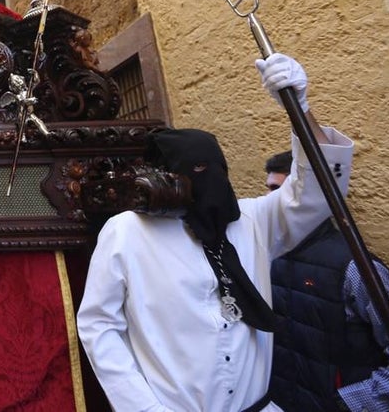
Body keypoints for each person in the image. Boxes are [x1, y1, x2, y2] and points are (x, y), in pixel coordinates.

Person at [77, 53, 355, 412]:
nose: (211, 182)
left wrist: (299, 110)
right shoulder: (128, 233)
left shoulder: (249, 220)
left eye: (216, 169)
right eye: (196, 170)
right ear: (164, 179)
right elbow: (100, 326)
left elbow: (317, 192)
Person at [264, 152, 389, 411]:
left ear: (313, 198)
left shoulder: (354, 269)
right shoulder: (268, 254)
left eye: (280, 190)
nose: (269, 200)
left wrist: (343, 405)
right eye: (269, 189)